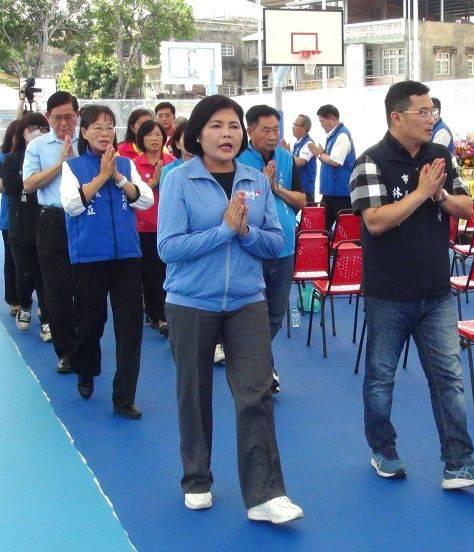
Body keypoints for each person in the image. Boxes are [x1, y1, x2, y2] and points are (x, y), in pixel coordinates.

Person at [158, 95, 302, 523]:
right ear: (198, 134)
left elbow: (275, 242)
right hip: (190, 302)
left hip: (246, 301)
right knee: (194, 393)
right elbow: (168, 248)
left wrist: (244, 234)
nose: (227, 134)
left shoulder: (254, 179)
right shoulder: (178, 180)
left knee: (256, 394)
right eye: (217, 126)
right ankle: (197, 479)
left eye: (234, 126)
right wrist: (224, 231)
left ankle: (265, 495)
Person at [350, 80, 474, 488]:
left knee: (448, 378)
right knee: (381, 378)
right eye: (423, 112)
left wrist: (438, 197)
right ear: (397, 117)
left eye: (432, 111)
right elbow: (376, 222)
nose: (431, 118)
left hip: (436, 292)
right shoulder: (370, 162)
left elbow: (467, 208)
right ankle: (383, 449)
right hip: (389, 293)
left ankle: (458, 462)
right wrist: (420, 193)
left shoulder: (439, 156)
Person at [60, 105, 154, 417]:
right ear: (83, 132)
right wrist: (101, 177)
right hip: (89, 257)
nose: (104, 132)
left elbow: (144, 199)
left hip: (127, 256)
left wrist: (117, 177)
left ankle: (124, 397)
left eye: (109, 126)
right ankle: (86, 368)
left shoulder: (126, 164)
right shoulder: (72, 167)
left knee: (130, 328)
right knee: (90, 323)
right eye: (97, 127)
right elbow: (72, 204)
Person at [239, 105, 306, 394]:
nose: (272, 135)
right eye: (265, 130)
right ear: (250, 130)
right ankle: (263, 370)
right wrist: (262, 188)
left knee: (276, 313)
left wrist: (275, 188)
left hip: (285, 246)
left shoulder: (285, 158)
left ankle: (256, 363)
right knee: (253, 314)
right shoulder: (238, 161)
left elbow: (302, 200)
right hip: (253, 247)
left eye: (276, 129)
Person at [22, 91, 79, 374]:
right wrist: (60, 164)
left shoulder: (90, 141)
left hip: (85, 220)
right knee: (56, 289)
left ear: (77, 116)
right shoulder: (38, 147)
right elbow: (29, 185)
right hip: (52, 220)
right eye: (57, 118)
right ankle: (67, 351)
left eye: (69, 116)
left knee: (87, 287)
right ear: (48, 118)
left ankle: (86, 344)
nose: (64, 123)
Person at [0, 113, 50, 339]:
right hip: (20, 227)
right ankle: (26, 304)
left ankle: (47, 319)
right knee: (25, 275)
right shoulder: (11, 160)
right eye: (32, 128)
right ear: (23, 132)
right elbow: (12, 189)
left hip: (48, 226)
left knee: (47, 278)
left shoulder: (54, 158)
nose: (37, 131)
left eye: (42, 127)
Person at [133, 119, 175, 336]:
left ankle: (167, 313)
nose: (154, 139)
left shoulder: (172, 163)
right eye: (149, 135)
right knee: (150, 273)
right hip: (143, 227)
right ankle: (158, 314)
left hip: (168, 226)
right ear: (141, 139)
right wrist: (154, 182)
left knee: (168, 271)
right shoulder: (133, 165)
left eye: (158, 135)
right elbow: (133, 195)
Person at [308, 104, 355, 229]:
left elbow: (335, 161)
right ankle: (323, 248)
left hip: (340, 193)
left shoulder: (342, 135)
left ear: (331, 119)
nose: (321, 125)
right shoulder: (333, 136)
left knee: (346, 230)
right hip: (330, 191)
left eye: (322, 121)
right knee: (321, 227)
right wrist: (322, 153)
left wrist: (319, 153)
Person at [0, 120, 21, 318]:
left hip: (36, 218)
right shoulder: (5, 158)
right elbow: (4, 186)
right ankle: (14, 298)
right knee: (12, 261)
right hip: (11, 218)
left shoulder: (35, 156)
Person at [286, 114, 317, 203]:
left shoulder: (308, 143)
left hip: (305, 190)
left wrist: (286, 155)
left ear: (304, 128)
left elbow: (301, 162)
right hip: (296, 188)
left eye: (295, 125)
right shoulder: (297, 143)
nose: (293, 127)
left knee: (307, 216)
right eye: (293, 124)